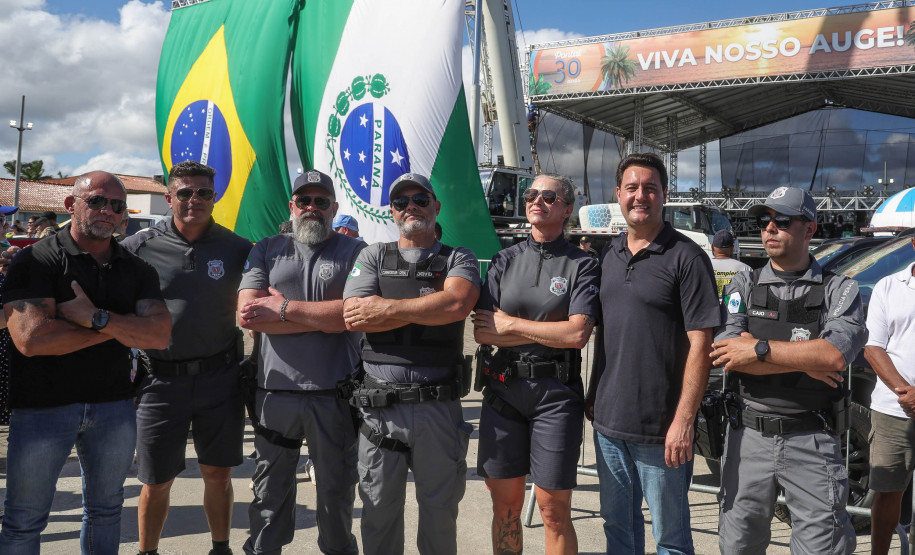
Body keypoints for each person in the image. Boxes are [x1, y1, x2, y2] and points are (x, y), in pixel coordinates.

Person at [0, 171, 171, 553]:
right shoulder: (36, 261)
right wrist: (124, 328)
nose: (107, 211)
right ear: (70, 206)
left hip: (113, 405)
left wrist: (97, 318)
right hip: (42, 409)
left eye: (116, 205)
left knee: (106, 512)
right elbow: (31, 339)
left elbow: (159, 335)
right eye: (96, 201)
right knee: (24, 520)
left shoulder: (136, 268)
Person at [711, 186, 867, 554]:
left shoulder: (839, 289)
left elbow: (832, 357)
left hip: (812, 438)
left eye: (781, 220)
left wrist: (760, 349)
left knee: (821, 548)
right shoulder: (743, 284)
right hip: (747, 438)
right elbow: (729, 355)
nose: (769, 228)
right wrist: (804, 358)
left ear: (809, 229)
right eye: (764, 220)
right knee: (738, 546)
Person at [586, 152, 720, 555]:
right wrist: (594, 395)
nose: (639, 196)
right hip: (609, 424)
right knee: (619, 529)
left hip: (662, 429)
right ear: (618, 194)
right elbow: (606, 333)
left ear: (664, 195)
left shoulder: (687, 257)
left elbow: (702, 344)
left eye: (650, 188)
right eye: (631, 188)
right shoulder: (607, 255)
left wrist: (684, 420)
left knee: (671, 539)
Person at [342, 172, 480, 555]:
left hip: (438, 409)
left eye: (420, 199)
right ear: (392, 211)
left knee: (439, 517)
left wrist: (385, 307)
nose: (411, 207)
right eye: (401, 202)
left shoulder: (459, 257)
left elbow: (457, 304)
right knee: (378, 515)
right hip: (379, 411)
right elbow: (355, 315)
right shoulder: (371, 255)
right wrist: (430, 306)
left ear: (436, 206)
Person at [120, 161, 252, 555]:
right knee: (156, 480)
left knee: (218, 472)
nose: (194, 200)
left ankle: (220, 548)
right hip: (160, 382)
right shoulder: (137, 247)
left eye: (204, 193)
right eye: (185, 193)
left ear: (215, 197)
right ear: (169, 197)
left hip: (220, 377)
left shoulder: (237, 248)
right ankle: (148, 552)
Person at [238, 169, 365, 555]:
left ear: (334, 208)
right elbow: (247, 314)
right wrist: (323, 320)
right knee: (269, 491)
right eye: (304, 201)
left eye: (320, 201)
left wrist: (283, 308)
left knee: (336, 491)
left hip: (334, 395)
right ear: (292, 206)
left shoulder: (357, 252)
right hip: (274, 395)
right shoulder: (266, 248)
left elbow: (353, 316)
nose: (312, 207)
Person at [473, 173, 599, 554]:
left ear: (566, 209)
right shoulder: (504, 259)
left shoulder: (583, 263)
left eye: (548, 195)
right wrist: (550, 329)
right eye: (531, 194)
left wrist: (509, 324)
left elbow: (578, 335)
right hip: (503, 394)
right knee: (506, 506)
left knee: (554, 509)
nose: (536, 200)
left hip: (556, 398)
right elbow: (483, 332)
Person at [861, 235, 915, 555]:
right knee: (887, 493)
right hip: (893, 410)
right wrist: (905, 392)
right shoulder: (888, 286)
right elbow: (873, 348)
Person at [710, 229, 749, 299]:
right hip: (736, 308)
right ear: (732, 248)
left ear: (712, 247)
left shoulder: (702, 266)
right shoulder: (745, 269)